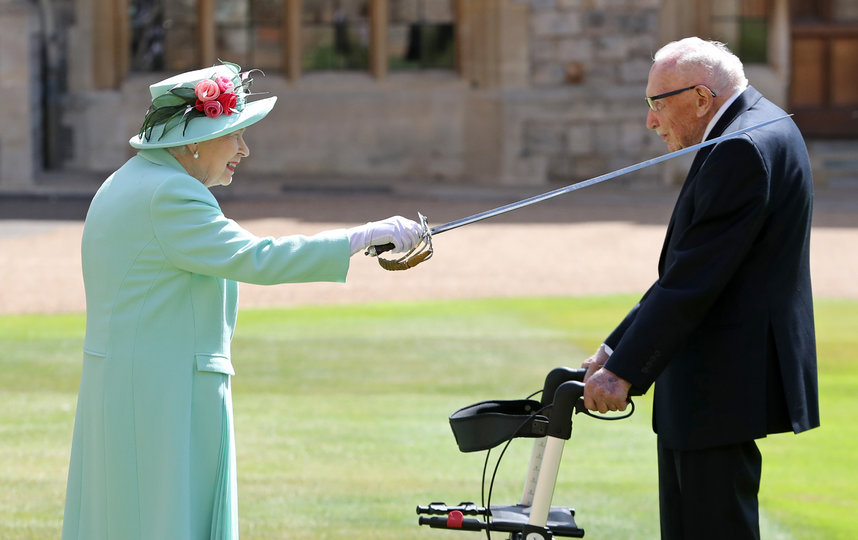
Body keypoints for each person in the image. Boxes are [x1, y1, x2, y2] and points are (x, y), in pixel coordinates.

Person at [61, 62, 424, 540]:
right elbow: (258, 259)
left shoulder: (126, 180)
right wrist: (363, 236)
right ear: (194, 139)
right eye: (233, 133)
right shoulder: (170, 194)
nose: (244, 148)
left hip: (131, 386)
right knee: (166, 520)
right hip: (163, 395)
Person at [580, 37, 819, 540]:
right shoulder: (761, 122)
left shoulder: (739, 147)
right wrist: (613, 348)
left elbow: (693, 281)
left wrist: (622, 371)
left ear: (702, 98)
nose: (651, 121)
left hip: (719, 379)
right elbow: (686, 270)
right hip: (718, 376)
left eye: (657, 104)